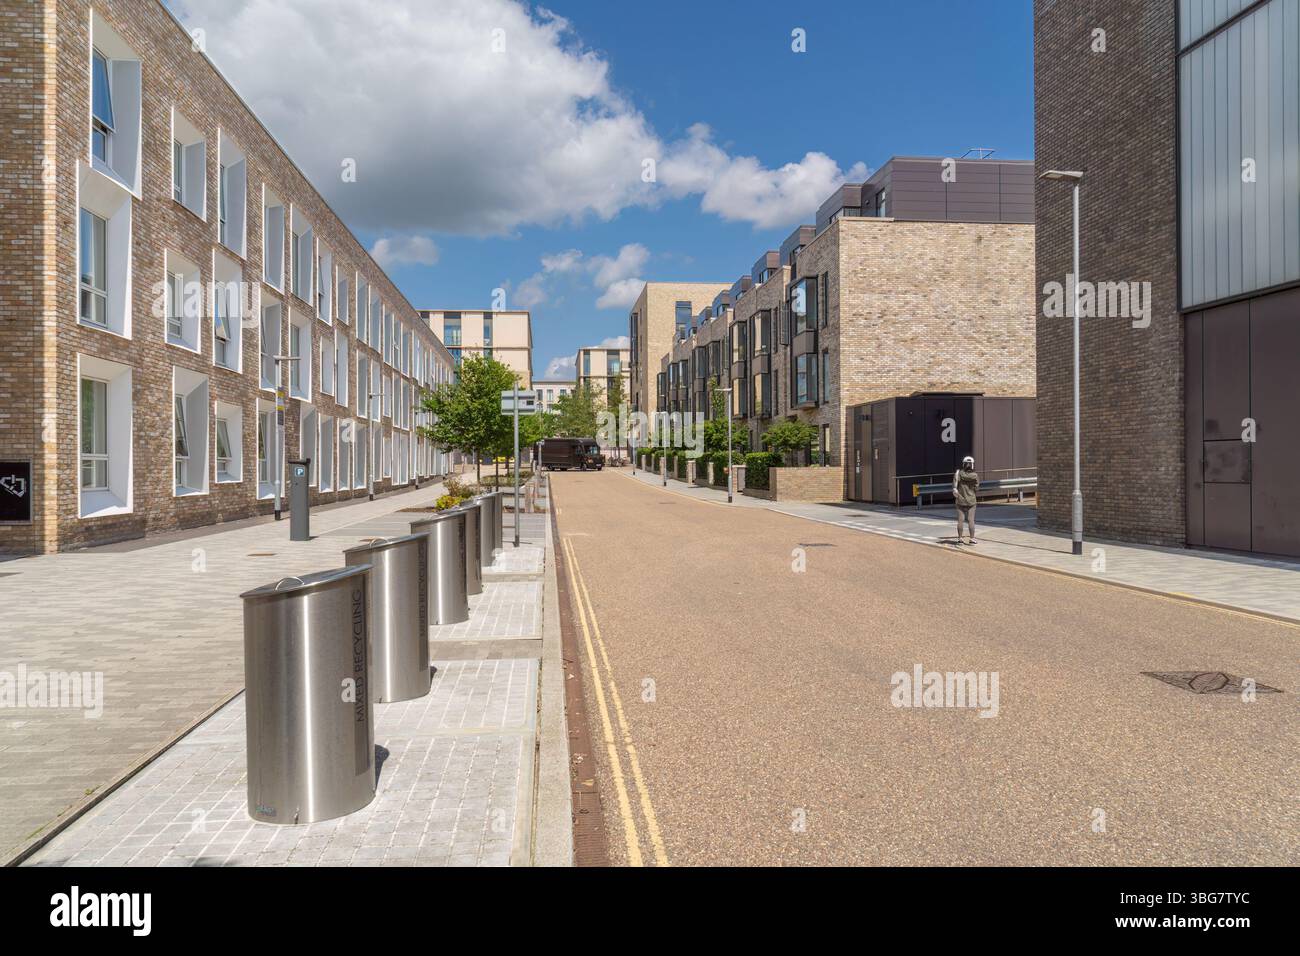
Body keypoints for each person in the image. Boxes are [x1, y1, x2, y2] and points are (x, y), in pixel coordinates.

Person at [953, 455, 979, 545]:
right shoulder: (975, 476)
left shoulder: (959, 473)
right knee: (971, 520)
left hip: (960, 500)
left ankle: (960, 538)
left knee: (961, 520)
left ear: (963, 464)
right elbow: (976, 488)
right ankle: (972, 539)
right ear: (972, 465)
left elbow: (954, 485)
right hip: (971, 501)